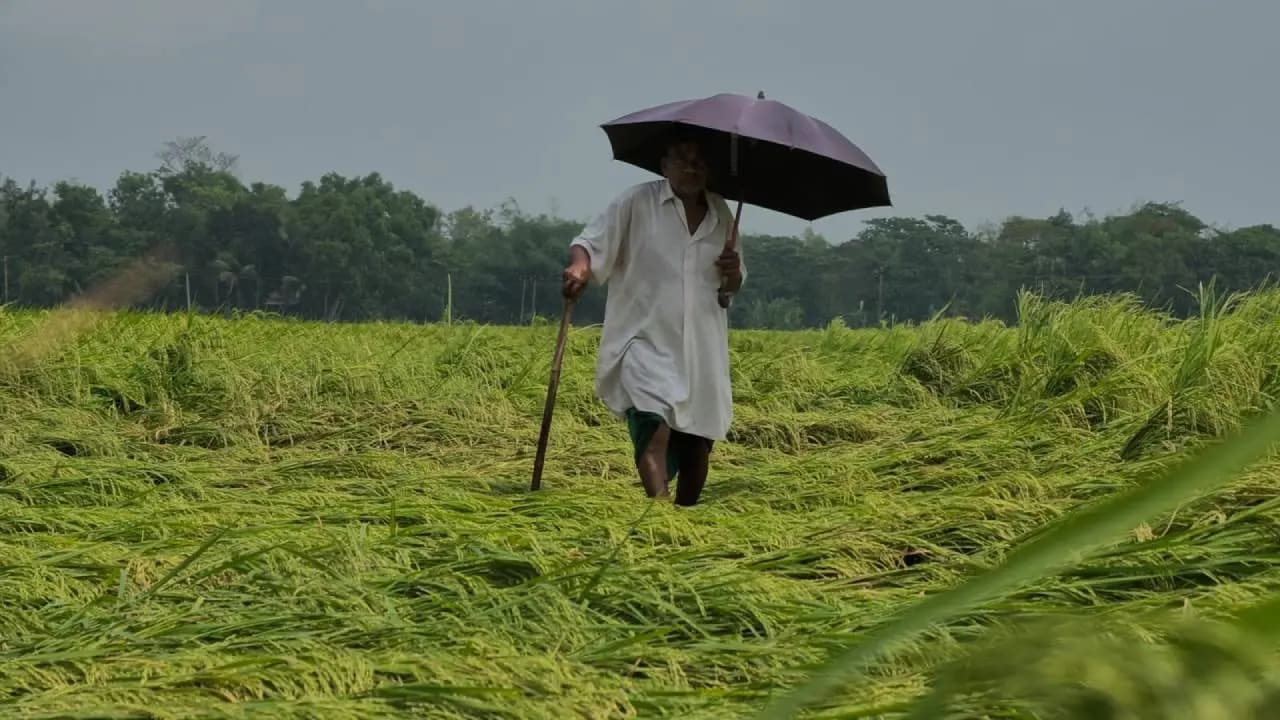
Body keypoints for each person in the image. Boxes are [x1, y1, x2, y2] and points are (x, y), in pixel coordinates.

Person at [561, 133, 745, 506]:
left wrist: (733, 272)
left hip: (700, 350)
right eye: (682, 158)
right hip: (644, 340)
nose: (691, 167)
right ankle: (660, 517)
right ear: (664, 166)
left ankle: (686, 517)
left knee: (697, 444)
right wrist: (580, 267)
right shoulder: (636, 202)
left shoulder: (722, 214)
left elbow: (730, 290)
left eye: (699, 161)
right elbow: (589, 242)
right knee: (653, 428)